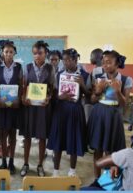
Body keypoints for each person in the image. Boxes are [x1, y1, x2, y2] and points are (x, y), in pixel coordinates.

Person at [88, 50, 133, 178]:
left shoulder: (125, 80)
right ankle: (97, 179)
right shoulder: (99, 78)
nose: (105, 65)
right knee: (97, 149)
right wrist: (98, 91)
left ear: (117, 63)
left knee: (111, 149)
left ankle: (108, 179)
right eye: (103, 62)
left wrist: (118, 92)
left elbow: (124, 105)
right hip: (99, 115)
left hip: (114, 117)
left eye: (108, 62)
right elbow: (92, 100)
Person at [47, 48, 90, 177]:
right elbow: (54, 94)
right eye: (64, 60)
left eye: (69, 60)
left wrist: (82, 85)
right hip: (61, 111)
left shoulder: (84, 75)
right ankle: (56, 171)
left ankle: (72, 170)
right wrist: (60, 97)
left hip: (76, 111)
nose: (65, 63)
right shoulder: (59, 74)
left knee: (74, 140)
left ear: (76, 60)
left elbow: (89, 97)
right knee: (58, 141)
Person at [82, 118, 133, 191]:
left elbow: (98, 163)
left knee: (83, 189)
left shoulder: (131, 154)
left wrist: (114, 163)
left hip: (124, 189)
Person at [20, 41, 55, 177]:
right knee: (27, 136)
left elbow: (52, 87)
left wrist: (49, 98)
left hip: (43, 107)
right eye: (34, 53)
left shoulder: (50, 68)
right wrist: (23, 97)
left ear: (45, 53)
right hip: (29, 107)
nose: (37, 56)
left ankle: (40, 164)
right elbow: (24, 85)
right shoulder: (27, 67)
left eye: (40, 53)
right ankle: (26, 163)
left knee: (42, 136)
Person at [0, 40, 23, 174]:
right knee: (2, 134)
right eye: (6, 52)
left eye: (11, 52)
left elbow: (21, 85)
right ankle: (3, 161)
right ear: (2, 53)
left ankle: (11, 162)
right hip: (1, 106)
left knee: (12, 133)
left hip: (14, 106)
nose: (9, 54)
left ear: (14, 53)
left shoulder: (19, 67)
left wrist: (19, 99)